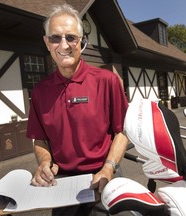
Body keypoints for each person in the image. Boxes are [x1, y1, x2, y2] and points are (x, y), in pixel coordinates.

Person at [26, 4, 129, 215]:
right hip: (62, 183)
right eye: (55, 38)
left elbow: (122, 132)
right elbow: (40, 139)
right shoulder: (39, 91)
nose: (64, 45)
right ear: (46, 43)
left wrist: (108, 168)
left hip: (104, 176)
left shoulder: (107, 81)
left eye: (71, 37)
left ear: (81, 41)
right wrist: (45, 162)